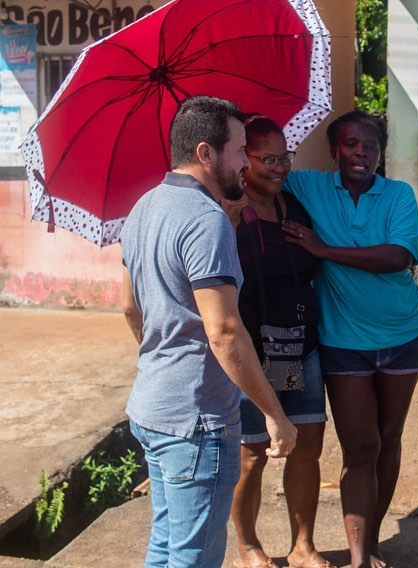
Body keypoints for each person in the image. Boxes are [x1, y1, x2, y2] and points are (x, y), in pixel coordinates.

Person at [120, 96, 297, 568]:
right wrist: (274, 413)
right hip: (196, 420)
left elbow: (128, 306)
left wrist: (164, 355)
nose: (246, 161)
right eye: (240, 149)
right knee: (194, 557)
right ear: (205, 153)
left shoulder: (143, 207)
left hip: (152, 406)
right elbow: (223, 330)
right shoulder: (204, 219)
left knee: (166, 547)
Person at [281, 110, 418, 568]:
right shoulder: (307, 186)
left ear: (380, 153)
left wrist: (322, 250)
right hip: (344, 340)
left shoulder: (399, 194)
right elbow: (259, 174)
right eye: (351, 144)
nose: (361, 152)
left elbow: (398, 256)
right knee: (360, 446)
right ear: (334, 152)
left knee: (389, 438)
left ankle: (375, 538)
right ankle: (360, 556)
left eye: (370, 145)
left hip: (405, 334)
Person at [224, 115, 332, 568]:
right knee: (252, 456)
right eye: (267, 158)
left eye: (284, 157)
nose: (280, 167)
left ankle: (303, 545)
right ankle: (248, 546)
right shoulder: (226, 214)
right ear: (241, 160)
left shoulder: (294, 206)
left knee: (308, 447)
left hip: (302, 347)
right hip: (251, 354)